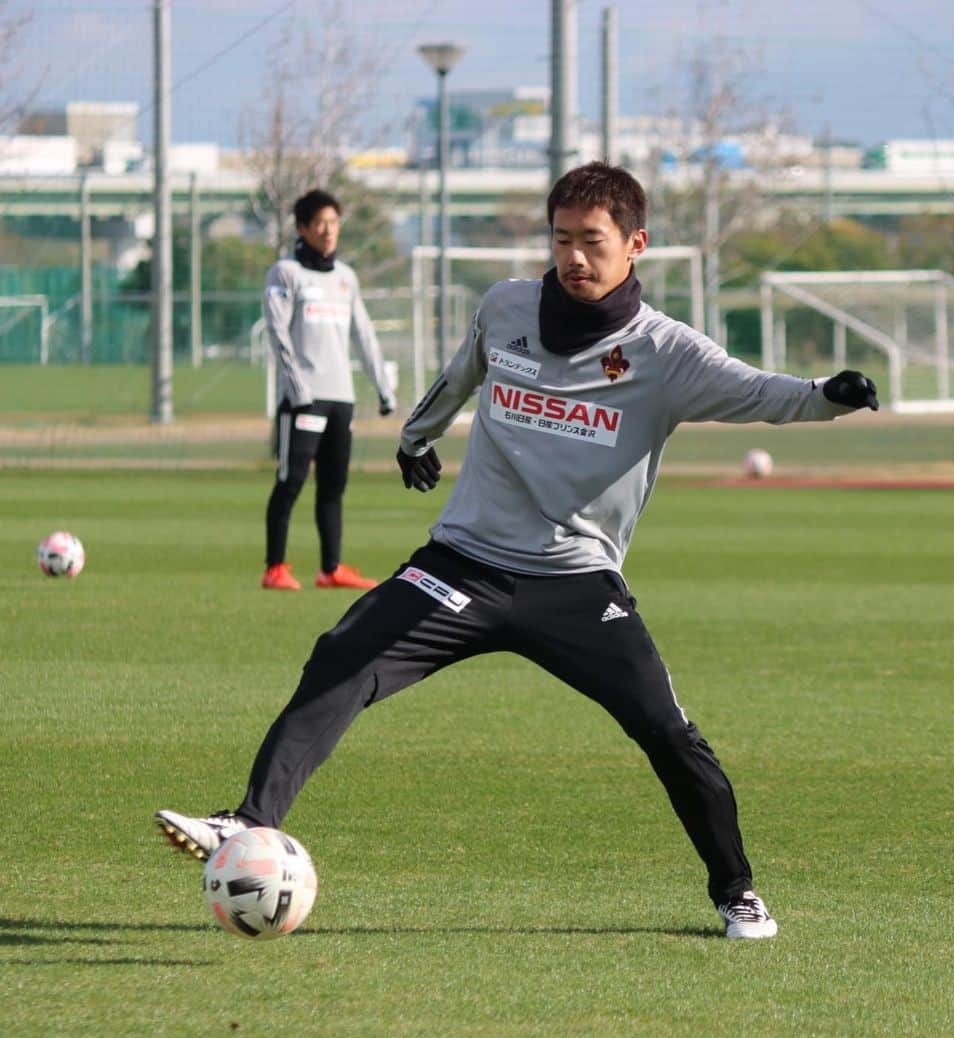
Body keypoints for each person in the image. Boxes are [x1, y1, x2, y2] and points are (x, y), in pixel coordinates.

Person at [156, 162, 878, 938]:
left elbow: (759, 390)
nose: (573, 256)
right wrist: (416, 434)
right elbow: (462, 370)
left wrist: (823, 396)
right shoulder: (507, 307)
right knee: (342, 655)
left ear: (634, 244)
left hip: (575, 585)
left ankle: (736, 891)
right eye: (561, 238)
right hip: (462, 564)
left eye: (592, 242)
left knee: (667, 731)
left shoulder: (664, 354)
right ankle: (247, 821)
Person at [261, 188, 397, 591]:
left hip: (342, 398)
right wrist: (296, 384)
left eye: (334, 222)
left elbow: (364, 335)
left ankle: (331, 568)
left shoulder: (346, 278)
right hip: (304, 397)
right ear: (303, 227)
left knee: (334, 485)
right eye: (320, 222)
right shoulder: (285, 273)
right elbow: (276, 331)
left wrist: (383, 389)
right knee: (291, 480)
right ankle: (275, 568)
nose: (328, 230)